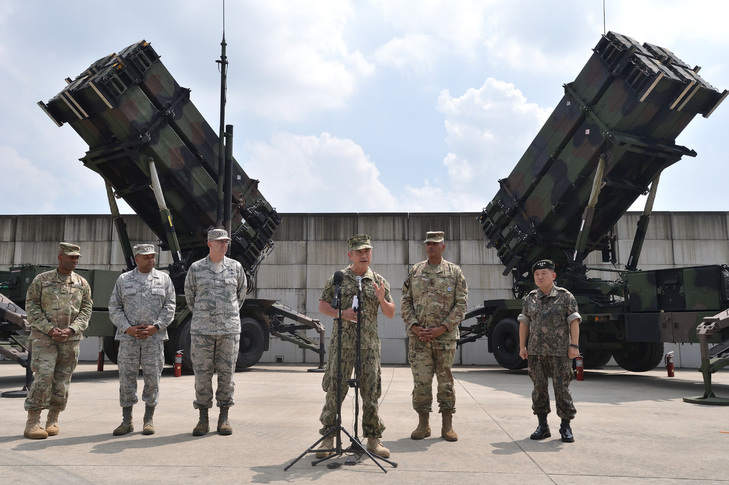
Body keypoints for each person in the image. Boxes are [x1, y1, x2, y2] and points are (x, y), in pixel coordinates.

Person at [315, 234, 396, 459]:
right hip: (342, 345)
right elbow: (322, 305)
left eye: (367, 251)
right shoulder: (338, 278)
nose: (364, 255)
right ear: (350, 254)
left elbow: (391, 312)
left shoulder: (379, 281)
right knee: (335, 390)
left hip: (368, 347)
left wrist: (381, 299)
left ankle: (373, 439)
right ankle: (328, 438)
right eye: (359, 252)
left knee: (370, 392)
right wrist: (342, 313)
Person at [401, 231, 468, 442]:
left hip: (444, 339)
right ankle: (423, 424)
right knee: (421, 382)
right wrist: (414, 327)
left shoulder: (454, 272)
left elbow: (461, 304)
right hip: (419, 339)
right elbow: (405, 301)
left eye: (435, 244)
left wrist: (443, 328)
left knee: (445, 382)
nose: (431, 247)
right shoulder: (415, 271)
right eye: (428, 243)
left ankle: (447, 425)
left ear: (443, 246)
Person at [22, 242, 93, 439]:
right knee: (43, 376)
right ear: (60, 257)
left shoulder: (82, 283)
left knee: (62, 380)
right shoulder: (41, 280)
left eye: (77, 257)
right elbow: (32, 307)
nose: (75, 260)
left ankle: (53, 419)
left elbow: (86, 310)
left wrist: (72, 329)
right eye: (71, 257)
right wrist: (50, 329)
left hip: (70, 340)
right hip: (44, 339)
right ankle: (33, 421)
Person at [184, 228, 247, 436]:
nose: (224, 245)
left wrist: (226, 316)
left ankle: (224, 416)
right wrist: (205, 316)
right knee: (202, 375)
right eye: (220, 242)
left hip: (229, 331)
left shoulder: (236, 268)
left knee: (227, 375)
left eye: (226, 242)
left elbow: (241, 295)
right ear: (209, 244)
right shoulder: (196, 268)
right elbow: (190, 296)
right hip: (202, 331)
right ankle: (203, 418)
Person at [109, 243, 176, 436]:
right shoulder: (124, 279)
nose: (151, 260)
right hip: (128, 339)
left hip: (153, 339)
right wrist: (128, 328)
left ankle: (148, 419)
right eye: (146, 257)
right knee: (126, 379)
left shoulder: (163, 279)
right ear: (137, 259)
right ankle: (126, 420)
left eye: (152, 256)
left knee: (152, 378)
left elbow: (170, 306)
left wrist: (156, 327)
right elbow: (114, 307)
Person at [518, 259, 581, 443]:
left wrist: (574, 345)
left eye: (544, 273)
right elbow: (524, 322)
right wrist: (522, 346)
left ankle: (566, 426)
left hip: (560, 352)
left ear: (553, 276)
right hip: (536, 352)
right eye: (537, 274)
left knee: (562, 389)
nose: (540, 277)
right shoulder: (530, 298)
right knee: (539, 389)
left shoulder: (565, 296)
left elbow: (574, 321)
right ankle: (542, 426)